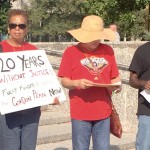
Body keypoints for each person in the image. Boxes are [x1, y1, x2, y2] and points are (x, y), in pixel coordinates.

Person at [58, 15, 122, 150]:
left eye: (98, 36)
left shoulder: (108, 50)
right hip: (80, 112)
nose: (95, 40)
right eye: (91, 36)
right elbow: (64, 81)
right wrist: (77, 83)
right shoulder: (70, 52)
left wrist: (116, 86)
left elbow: (115, 77)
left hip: (104, 111)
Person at [0, 9, 40, 150]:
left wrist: (51, 95)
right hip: (7, 113)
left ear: (27, 28)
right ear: (8, 28)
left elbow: (42, 79)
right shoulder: (1, 49)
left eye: (21, 26)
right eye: (13, 25)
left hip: (31, 112)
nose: (17, 29)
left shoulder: (34, 51)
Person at [129, 42, 150, 150]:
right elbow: (132, 80)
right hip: (147, 110)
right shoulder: (143, 50)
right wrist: (143, 83)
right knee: (144, 146)